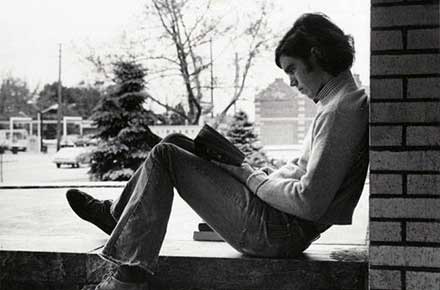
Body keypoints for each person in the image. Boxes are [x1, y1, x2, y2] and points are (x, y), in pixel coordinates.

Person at [67, 12, 369, 290]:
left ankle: (128, 279)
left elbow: (310, 202)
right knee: (173, 140)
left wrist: (251, 178)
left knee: (165, 156)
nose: (291, 82)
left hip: (277, 234)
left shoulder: (342, 111)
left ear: (315, 55)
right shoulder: (338, 102)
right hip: (277, 221)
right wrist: (251, 173)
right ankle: (116, 215)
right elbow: (305, 177)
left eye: (292, 70)